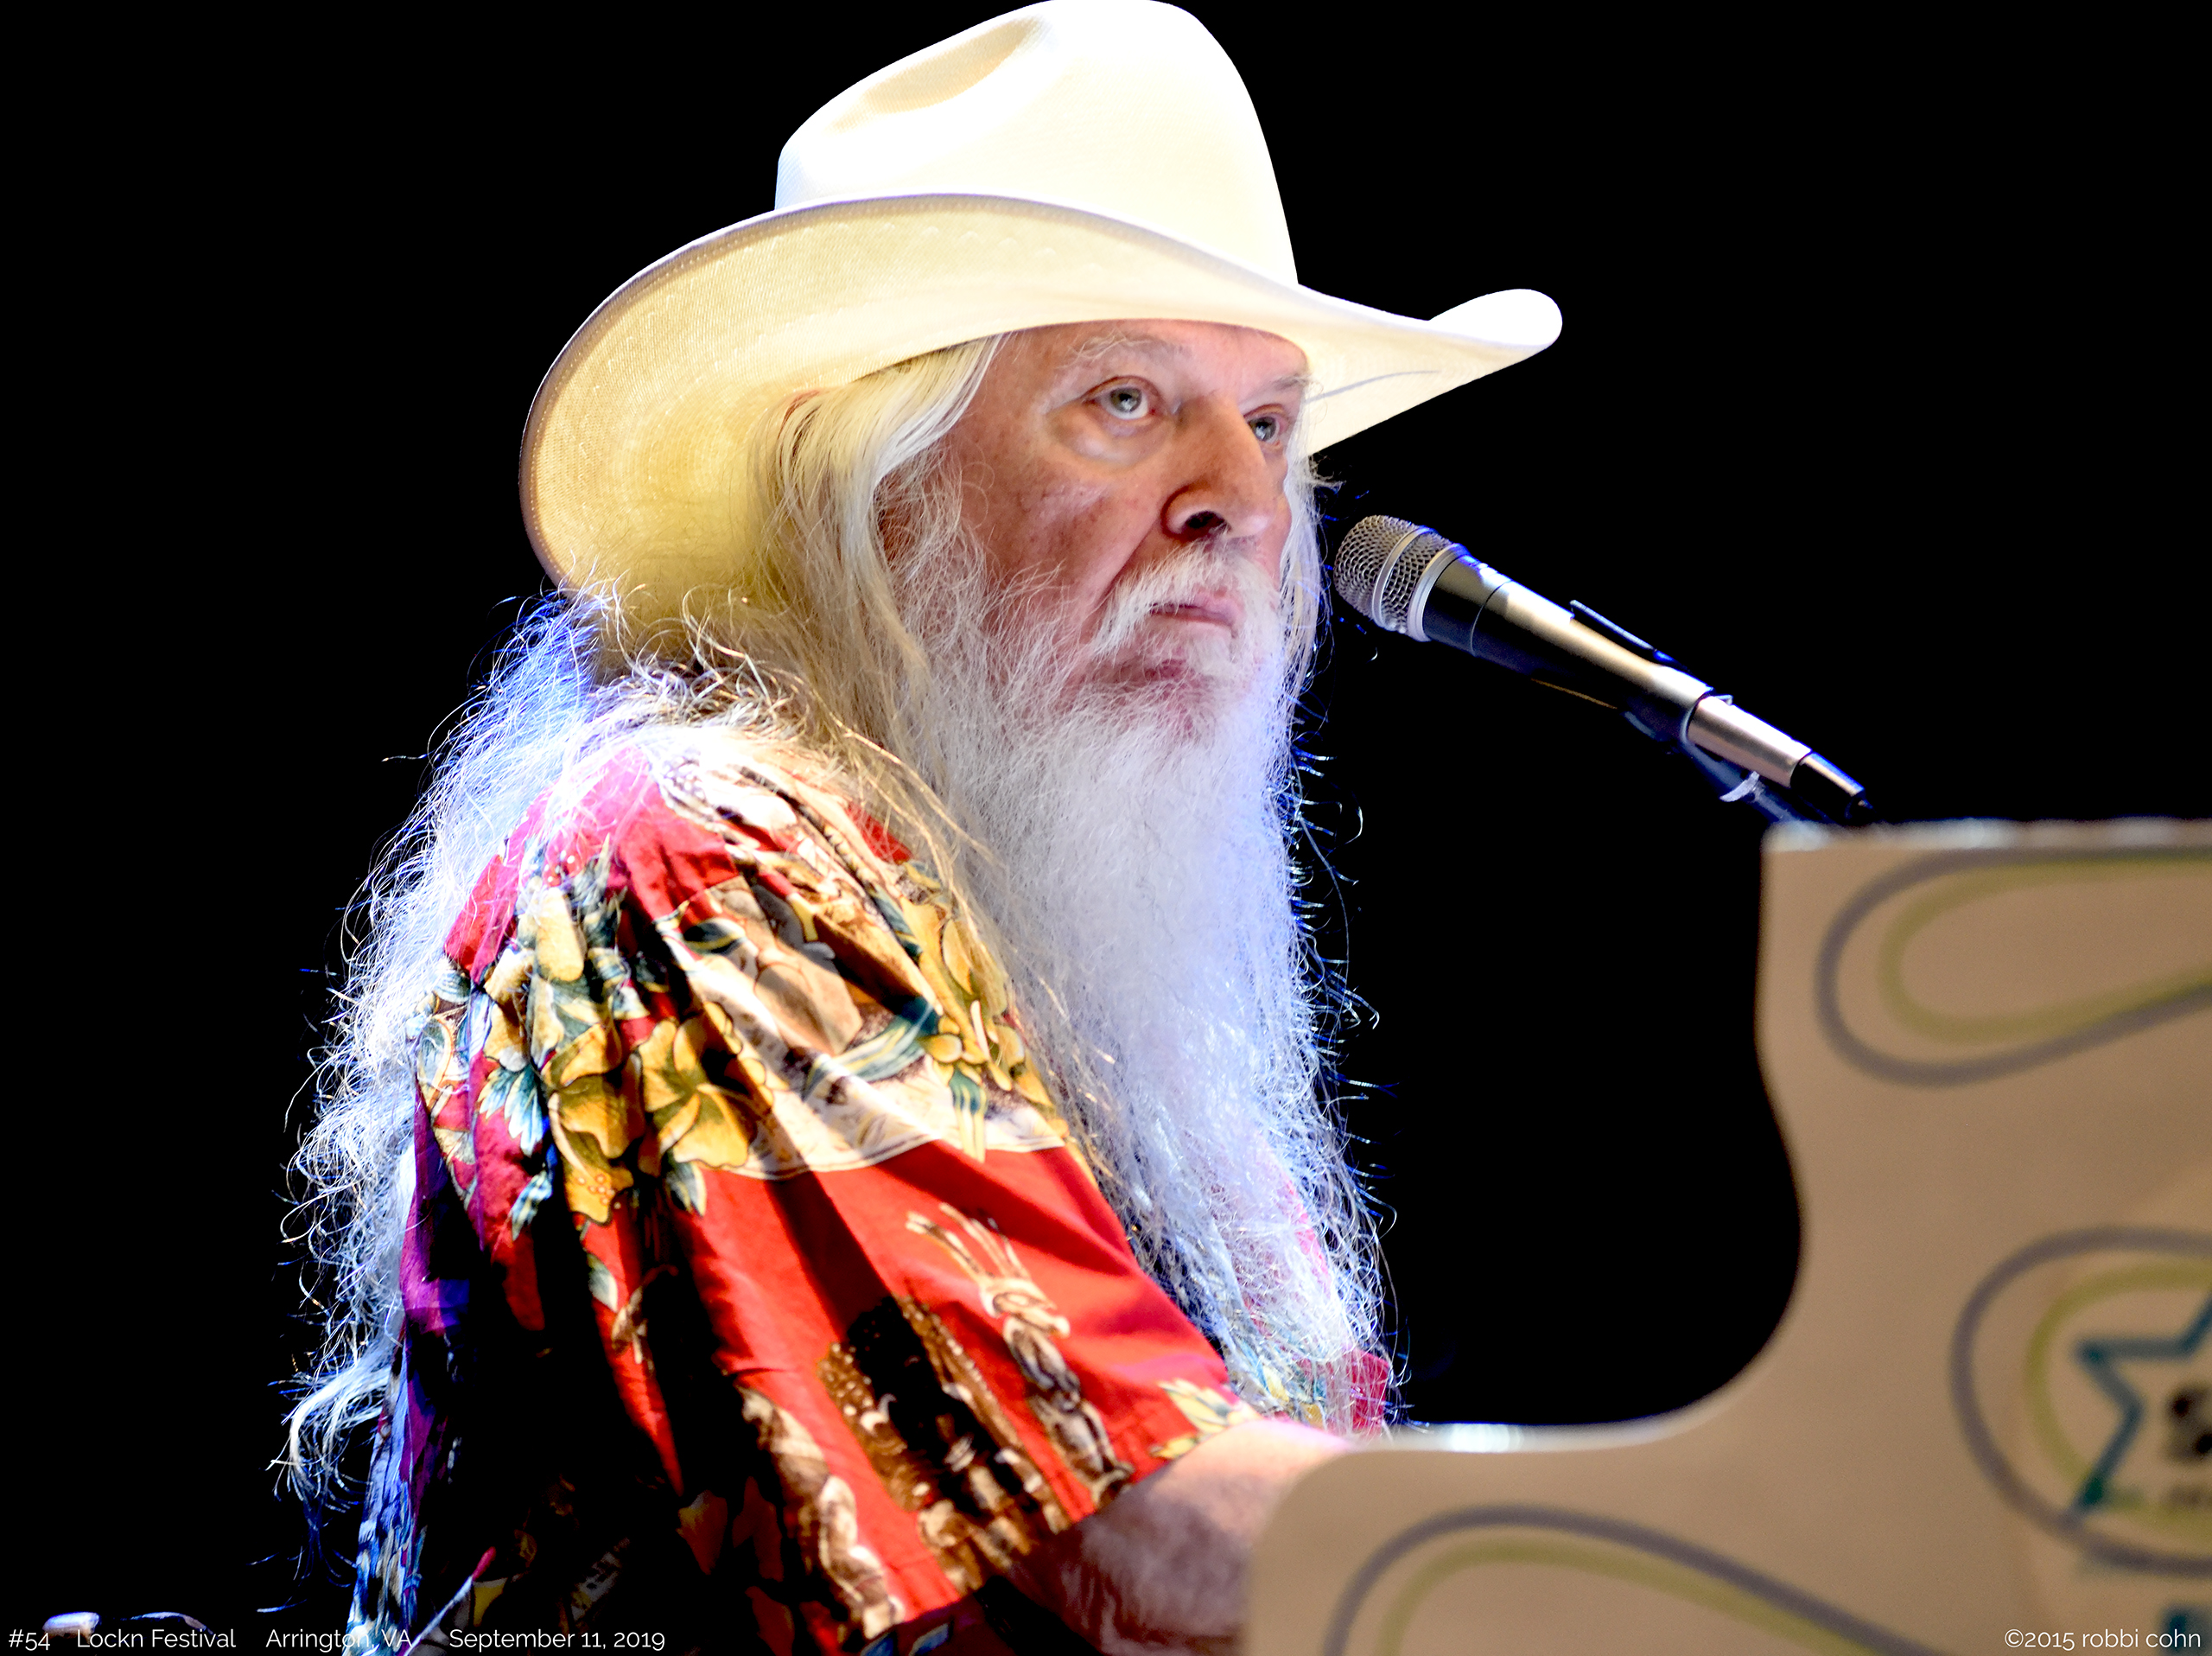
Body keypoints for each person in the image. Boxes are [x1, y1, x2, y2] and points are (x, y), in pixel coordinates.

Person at [285, 3, 1559, 1650]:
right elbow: (1142, 1548)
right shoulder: (699, 851)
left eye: (1267, 424)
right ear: (866, 480)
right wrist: (1758, 1550)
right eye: (1124, 400)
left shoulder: (1097, 981)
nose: (1242, 504)